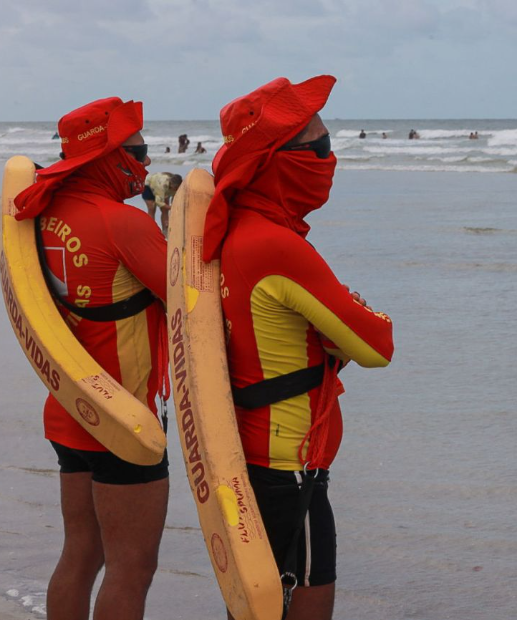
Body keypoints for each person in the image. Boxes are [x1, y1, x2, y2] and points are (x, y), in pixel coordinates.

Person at [203, 76, 394, 620]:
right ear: (278, 160)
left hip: (249, 453)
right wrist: (355, 312)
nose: (327, 159)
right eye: (319, 148)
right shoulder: (276, 245)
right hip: (290, 467)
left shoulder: (234, 228)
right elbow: (377, 344)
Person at [13, 97, 169, 620]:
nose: (146, 164)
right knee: (132, 567)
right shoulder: (121, 223)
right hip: (122, 419)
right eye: (139, 152)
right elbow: (195, 305)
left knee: (80, 554)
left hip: (68, 410)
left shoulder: (38, 213)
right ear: (107, 156)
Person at [142, 171, 183, 237]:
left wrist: (174, 208)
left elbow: (174, 199)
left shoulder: (178, 186)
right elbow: (159, 202)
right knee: (152, 208)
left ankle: (165, 231)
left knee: (165, 210)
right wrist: (171, 207)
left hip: (165, 190)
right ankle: (151, 231)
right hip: (149, 186)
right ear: (172, 185)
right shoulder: (162, 186)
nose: (176, 190)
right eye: (175, 189)